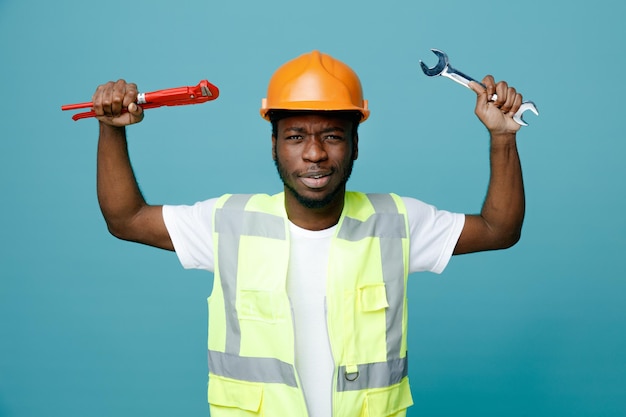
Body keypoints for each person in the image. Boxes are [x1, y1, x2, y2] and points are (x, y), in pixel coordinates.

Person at [93, 50, 525, 417]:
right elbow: (126, 218)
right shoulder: (228, 222)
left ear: (356, 144)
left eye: (332, 136)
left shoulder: (398, 222)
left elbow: (498, 229)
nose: (315, 153)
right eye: (296, 136)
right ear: (275, 145)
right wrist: (111, 131)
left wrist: (503, 137)